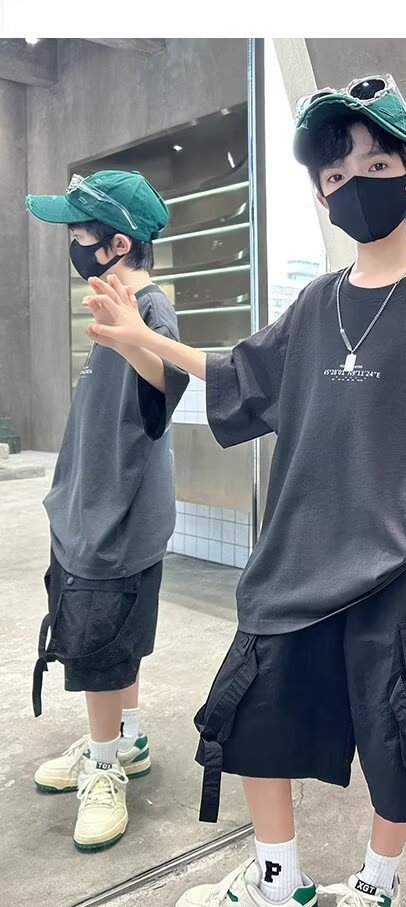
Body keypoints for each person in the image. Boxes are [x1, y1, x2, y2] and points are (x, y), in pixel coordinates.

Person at [81, 76, 406, 907]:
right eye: (335, 175)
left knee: (402, 738)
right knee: (258, 715)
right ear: (321, 196)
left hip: (400, 565)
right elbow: (234, 374)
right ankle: (279, 885)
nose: (353, 183)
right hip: (297, 557)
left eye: (374, 165)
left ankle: (375, 891)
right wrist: (141, 337)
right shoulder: (315, 302)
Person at [25, 171, 189, 851]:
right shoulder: (120, 310)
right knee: (115, 645)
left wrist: (133, 336)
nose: (72, 244)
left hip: (114, 525)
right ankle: (125, 739)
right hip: (89, 516)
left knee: (98, 651)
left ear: (119, 243)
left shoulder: (149, 315)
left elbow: (167, 381)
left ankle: (103, 767)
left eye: (79, 233)